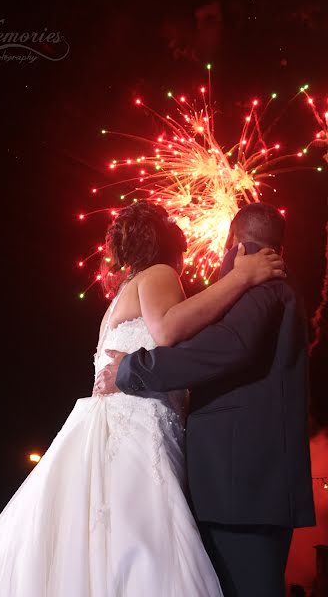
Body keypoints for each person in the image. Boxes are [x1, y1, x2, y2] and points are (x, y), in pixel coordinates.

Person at [0, 201, 285, 597]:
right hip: (138, 430)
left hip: (101, 427)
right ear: (171, 248)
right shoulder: (160, 274)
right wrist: (240, 279)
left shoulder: (119, 298)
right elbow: (167, 331)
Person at [95, 202, 316, 597]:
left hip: (244, 488)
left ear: (236, 245)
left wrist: (133, 370)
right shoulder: (259, 286)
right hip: (230, 487)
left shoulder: (265, 285)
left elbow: (229, 346)